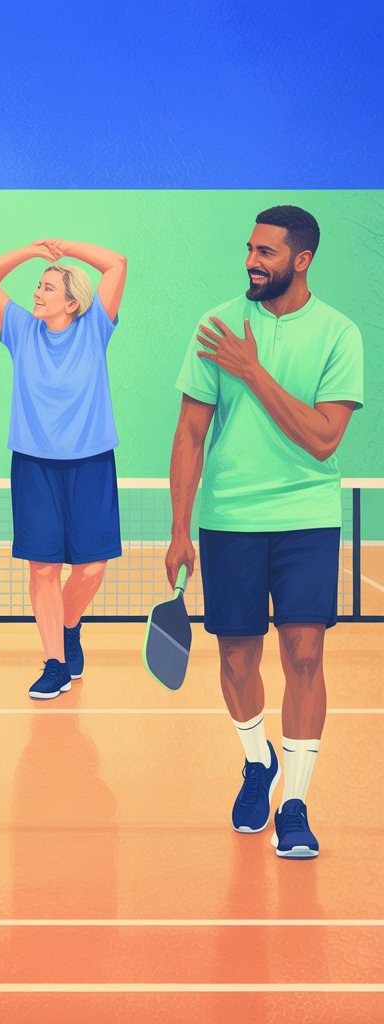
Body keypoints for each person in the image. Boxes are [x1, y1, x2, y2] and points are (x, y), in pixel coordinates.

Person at [166, 206, 362, 860]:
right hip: (229, 521)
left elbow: (322, 440)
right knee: (235, 661)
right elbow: (190, 432)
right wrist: (178, 529)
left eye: (267, 252)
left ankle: (297, 804)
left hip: (307, 515)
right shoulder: (216, 326)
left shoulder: (339, 334)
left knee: (305, 656)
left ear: (301, 260)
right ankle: (259, 763)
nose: (253, 260)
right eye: (250, 248)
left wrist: (252, 372)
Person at [0, 239, 128, 699]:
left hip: (92, 464)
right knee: (43, 570)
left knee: (92, 569)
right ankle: (55, 662)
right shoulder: (19, 328)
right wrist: (31, 251)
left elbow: (116, 262)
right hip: (35, 465)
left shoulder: (95, 325)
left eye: (47, 288)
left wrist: (68, 250)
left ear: (72, 302)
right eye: (37, 287)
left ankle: (69, 625)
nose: (37, 293)